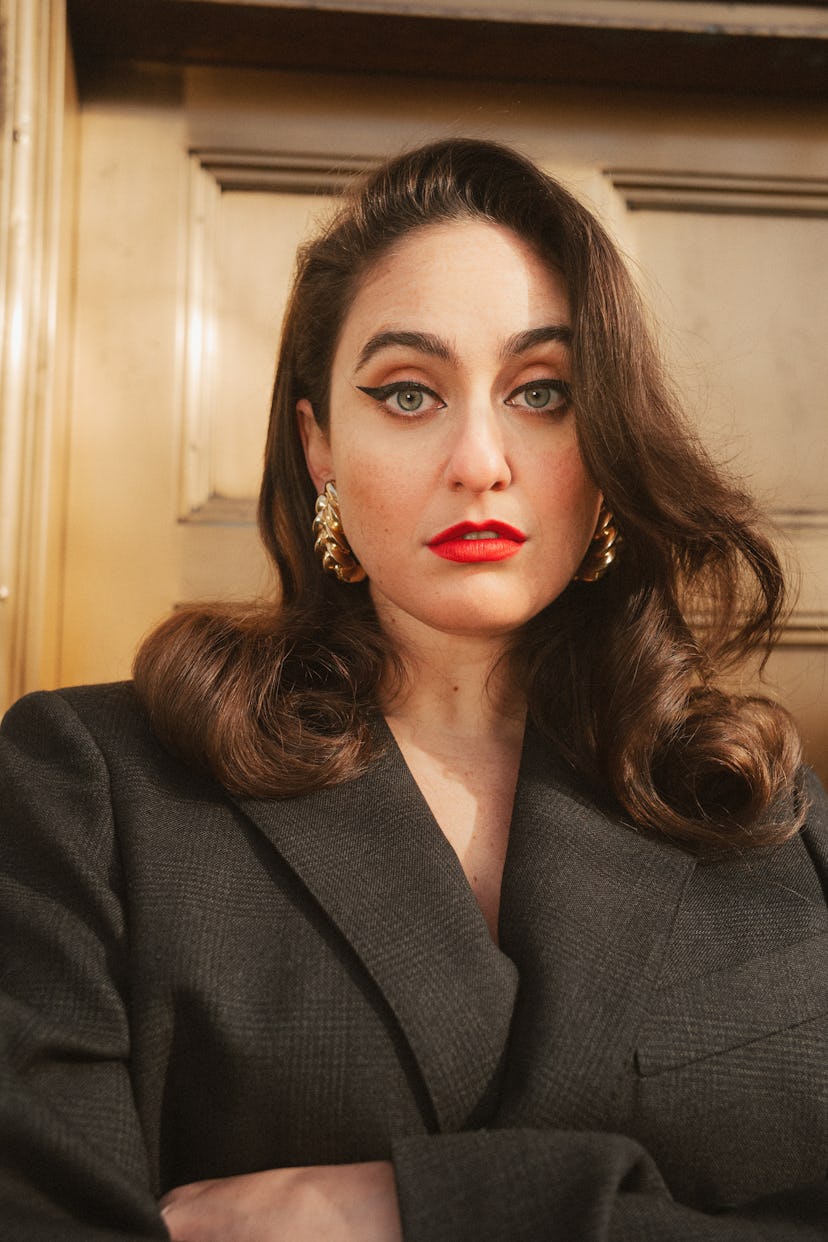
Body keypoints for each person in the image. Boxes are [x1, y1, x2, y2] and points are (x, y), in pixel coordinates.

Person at [1, 138, 826, 1242]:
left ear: (613, 436)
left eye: (544, 392)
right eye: (407, 393)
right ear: (319, 446)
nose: (481, 458)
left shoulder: (775, 827)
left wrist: (409, 1213)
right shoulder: (92, 789)